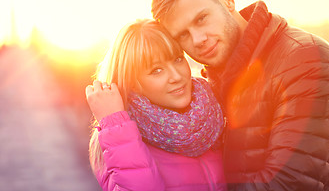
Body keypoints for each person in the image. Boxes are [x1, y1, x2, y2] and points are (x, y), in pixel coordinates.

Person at [151, 0, 329, 190]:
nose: (198, 38)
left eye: (201, 19)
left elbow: (289, 184)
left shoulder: (305, 60)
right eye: (183, 35)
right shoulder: (216, 82)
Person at [85, 19, 227, 191]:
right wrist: (116, 127)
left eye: (178, 59)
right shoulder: (115, 141)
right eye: (156, 70)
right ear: (133, 83)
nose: (176, 76)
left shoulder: (213, 113)